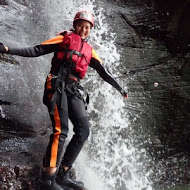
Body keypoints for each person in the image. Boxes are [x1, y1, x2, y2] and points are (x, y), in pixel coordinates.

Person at [0, 10, 128, 190]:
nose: (84, 30)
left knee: (83, 130)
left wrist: (120, 88)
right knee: (61, 130)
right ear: (75, 26)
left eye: (87, 27)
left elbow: (104, 72)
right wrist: (7, 49)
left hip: (73, 90)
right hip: (57, 85)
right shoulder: (64, 38)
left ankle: (64, 173)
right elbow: (37, 49)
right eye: (81, 26)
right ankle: (48, 179)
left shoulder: (90, 51)